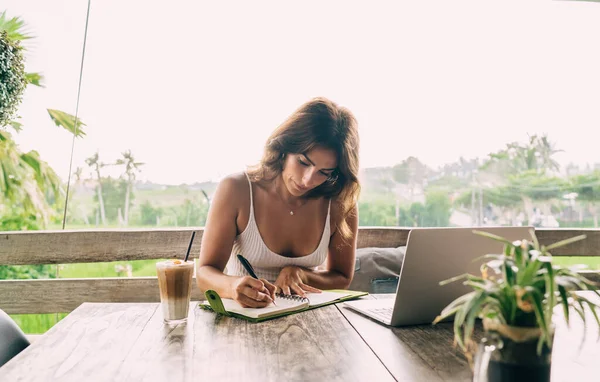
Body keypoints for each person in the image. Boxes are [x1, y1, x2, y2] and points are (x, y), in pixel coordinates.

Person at [196, 97, 360, 308]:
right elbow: (205, 273)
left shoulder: (340, 202)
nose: (307, 180)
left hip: (312, 321)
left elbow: (342, 278)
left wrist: (303, 275)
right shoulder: (236, 189)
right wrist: (233, 286)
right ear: (284, 149)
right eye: (303, 162)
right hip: (246, 320)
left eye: (324, 173)